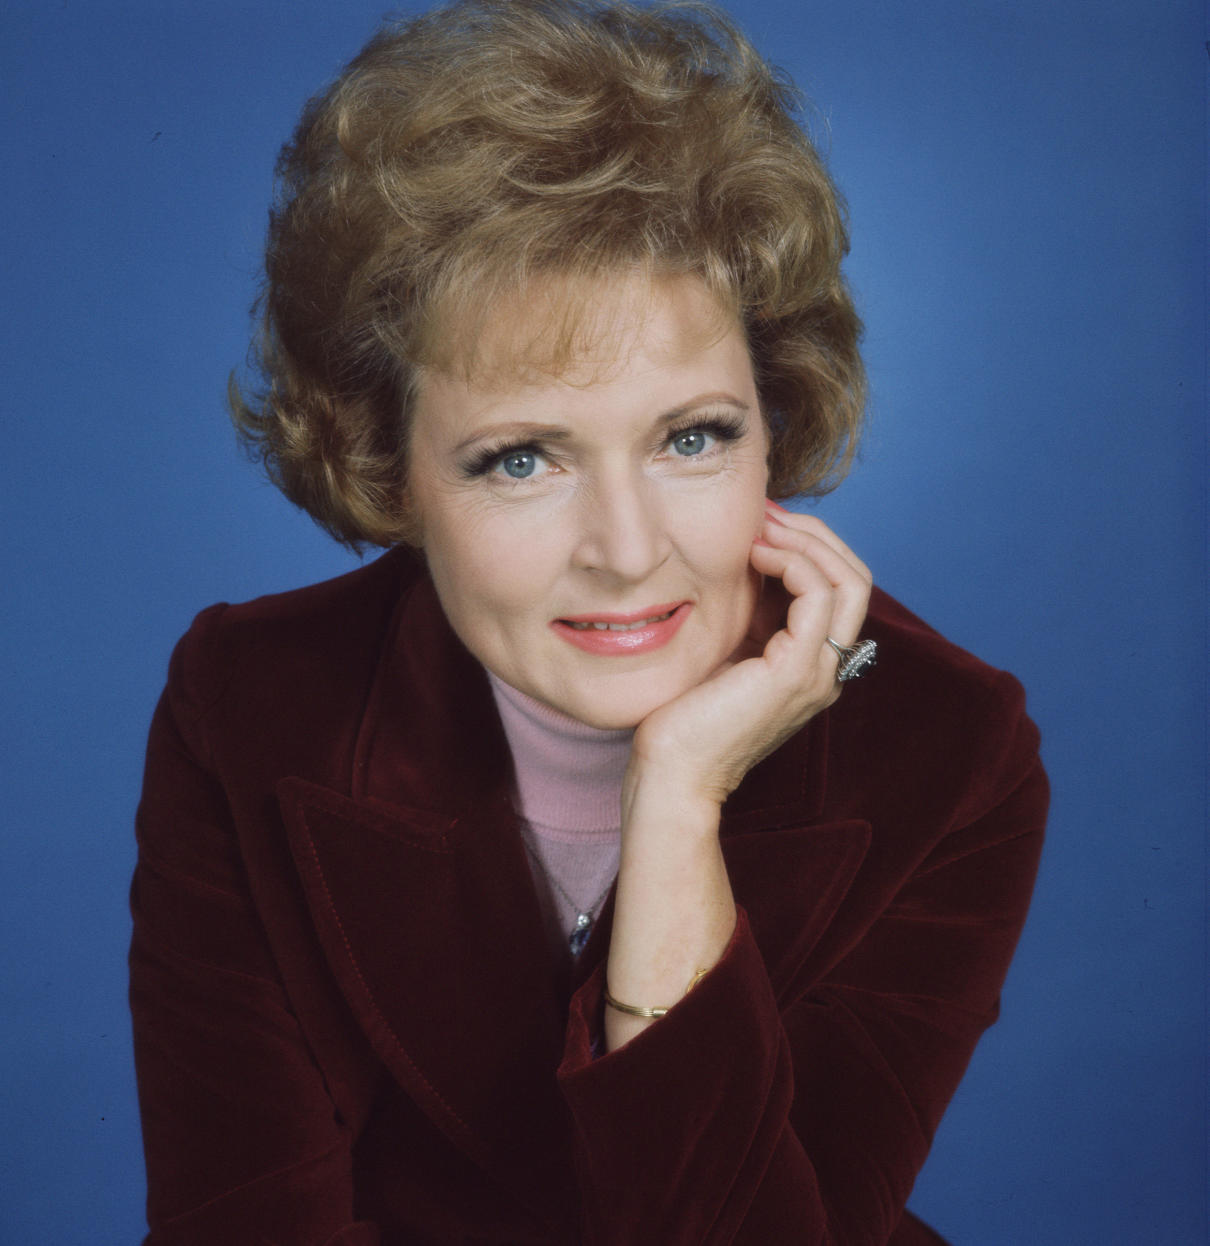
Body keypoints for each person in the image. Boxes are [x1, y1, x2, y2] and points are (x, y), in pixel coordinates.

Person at [128, 2, 1048, 1243]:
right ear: (390, 468)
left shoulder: (949, 745)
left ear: (775, 421)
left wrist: (676, 805)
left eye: (692, 436)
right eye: (521, 460)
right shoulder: (247, 702)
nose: (626, 549)